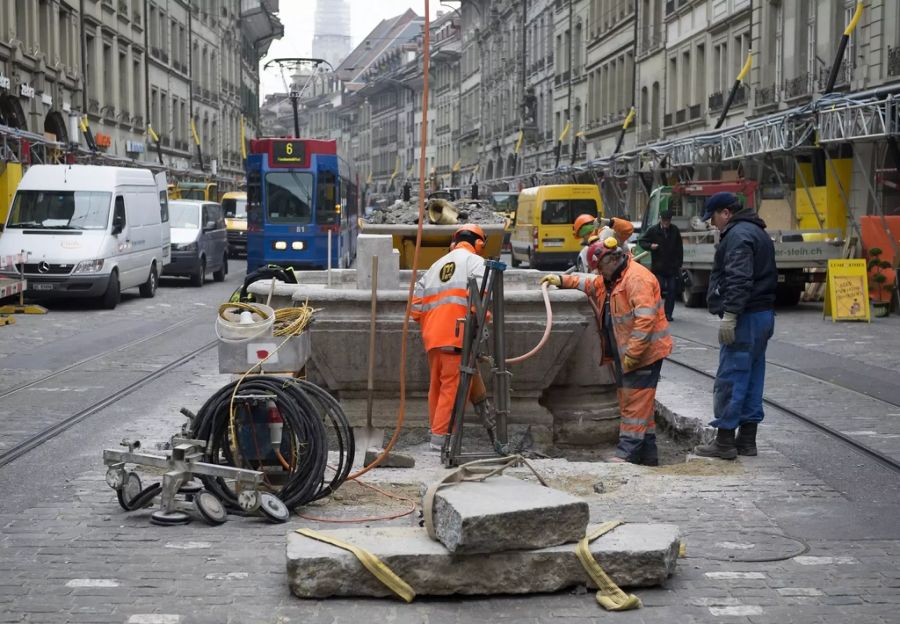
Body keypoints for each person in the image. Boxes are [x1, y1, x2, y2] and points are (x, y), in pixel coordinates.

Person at [541, 236, 672, 465]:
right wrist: (561, 280)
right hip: (630, 354)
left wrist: (633, 353)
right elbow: (588, 284)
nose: (599, 273)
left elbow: (645, 320)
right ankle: (648, 456)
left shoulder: (636, 279)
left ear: (612, 259)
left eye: (600, 268)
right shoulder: (613, 279)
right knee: (638, 404)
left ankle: (626, 454)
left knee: (633, 403)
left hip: (643, 354)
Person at [694, 192, 777, 460]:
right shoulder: (757, 231)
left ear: (726, 213)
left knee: (731, 376)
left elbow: (739, 278)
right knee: (753, 375)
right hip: (762, 314)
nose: (713, 224)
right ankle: (747, 440)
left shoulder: (738, 236)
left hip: (745, 317)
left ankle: (725, 441)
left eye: (714, 217)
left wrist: (730, 314)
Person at [411, 224, 494, 450]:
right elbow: (482, 299)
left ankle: (436, 434)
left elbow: (415, 310)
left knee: (437, 388)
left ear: (453, 243)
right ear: (479, 243)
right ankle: (442, 440)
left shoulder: (435, 266)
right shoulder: (475, 262)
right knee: (454, 388)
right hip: (457, 335)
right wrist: (483, 322)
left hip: (433, 338)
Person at [639, 209, 683, 321]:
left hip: (672, 267)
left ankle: (668, 314)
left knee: (672, 291)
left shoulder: (674, 230)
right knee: (658, 290)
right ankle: (657, 313)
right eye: (664, 220)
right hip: (658, 267)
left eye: (668, 220)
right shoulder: (653, 230)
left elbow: (679, 248)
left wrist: (679, 264)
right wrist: (650, 246)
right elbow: (642, 241)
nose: (666, 222)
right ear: (660, 219)